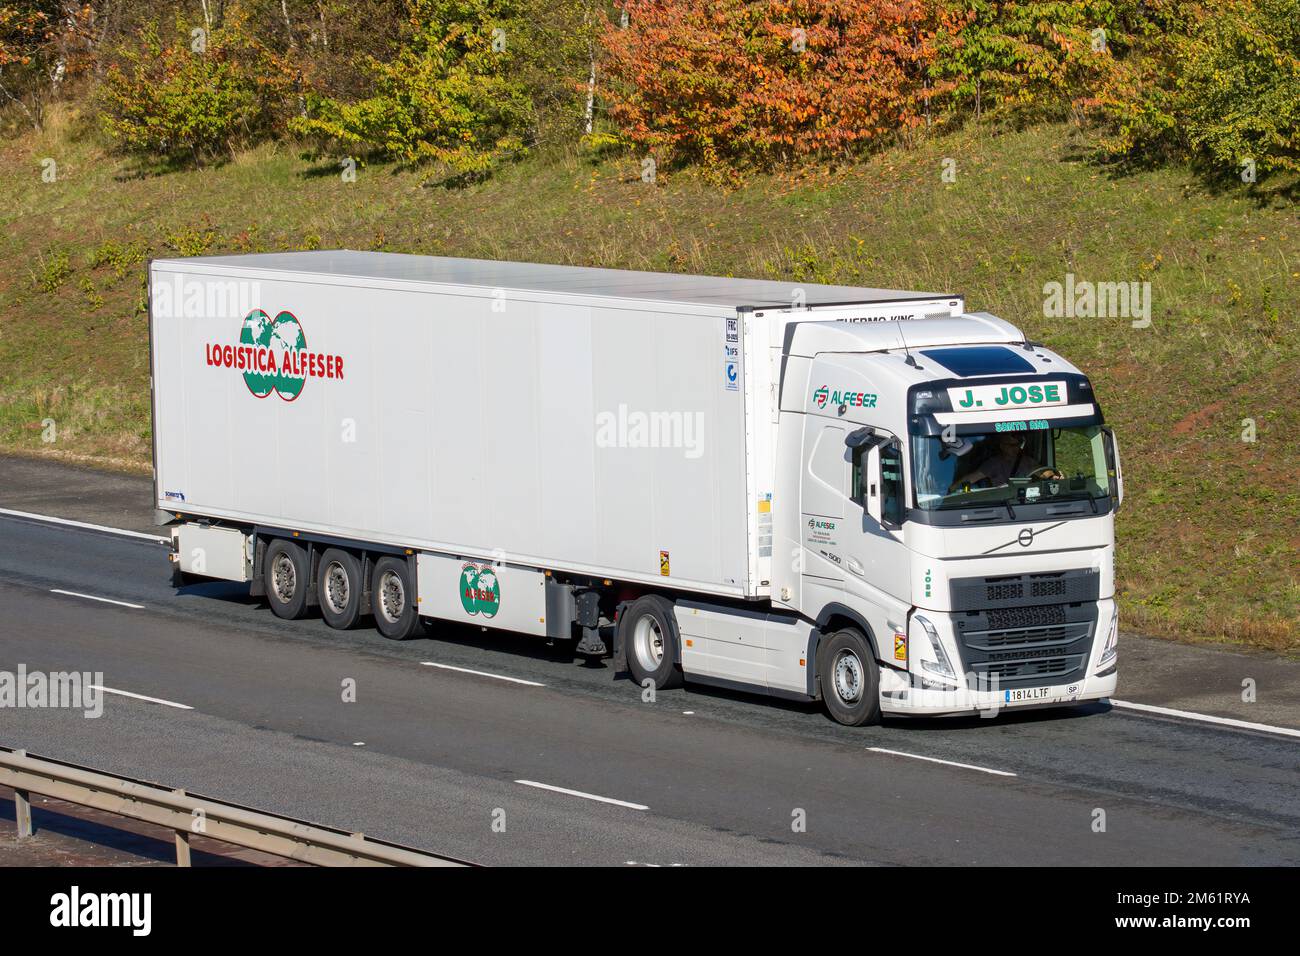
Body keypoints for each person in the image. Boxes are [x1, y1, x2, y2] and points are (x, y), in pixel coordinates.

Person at [950, 434, 1059, 490]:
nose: (1016, 448)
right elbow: (971, 479)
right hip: (1002, 502)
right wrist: (953, 489)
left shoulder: (1025, 460)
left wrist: (1052, 476)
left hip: (1024, 501)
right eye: (1012, 445)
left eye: (1017, 445)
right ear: (1002, 446)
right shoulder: (994, 463)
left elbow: (1041, 471)